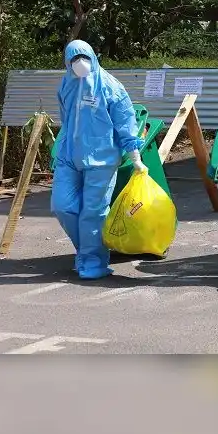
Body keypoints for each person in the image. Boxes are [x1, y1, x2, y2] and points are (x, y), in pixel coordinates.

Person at [51, 40, 146, 280]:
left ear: (93, 57)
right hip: (69, 156)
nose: (79, 63)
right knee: (62, 206)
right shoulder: (66, 84)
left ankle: (93, 261)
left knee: (93, 212)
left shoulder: (110, 86)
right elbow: (66, 119)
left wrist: (135, 156)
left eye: (84, 57)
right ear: (67, 61)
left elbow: (126, 122)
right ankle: (86, 251)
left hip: (102, 158)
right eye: (74, 59)